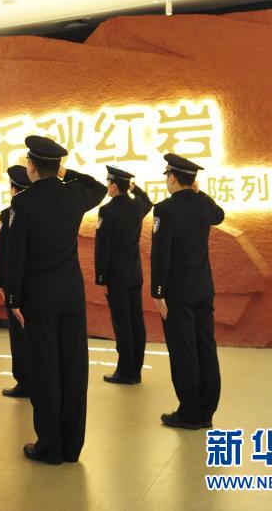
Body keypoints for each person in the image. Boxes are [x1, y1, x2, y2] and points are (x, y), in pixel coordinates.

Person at [5, 135, 106, 465]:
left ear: (31, 166)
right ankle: (72, 444)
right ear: (57, 167)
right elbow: (97, 187)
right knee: (74, 366)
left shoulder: (23, 204)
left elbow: (16, 257)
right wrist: (65, 174)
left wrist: (13, 298)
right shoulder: (73, 195)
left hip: (39, 296)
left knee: (45, 368)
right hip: (71, 293)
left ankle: (49, 445)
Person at [151, 153, 225, 430]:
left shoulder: (165, 209)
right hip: (203, 288)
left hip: (177, 292)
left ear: (172, 178)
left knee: (183, 351)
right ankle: (206, 411)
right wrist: (200, 192)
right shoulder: (204, 206)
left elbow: (161, 254)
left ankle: (189, 413)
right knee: (205, 347)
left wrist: (157, 291)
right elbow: (219, 215)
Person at [94, 165, 153, 385]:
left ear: (114, 185)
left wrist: (101, 277)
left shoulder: (107, 211)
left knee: (122, 324)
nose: (107, 187)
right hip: (134, 274)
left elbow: (103, 248)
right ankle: (136, 369)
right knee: (136, 321)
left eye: (109, 183)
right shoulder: (136, 206)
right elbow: (148, 202)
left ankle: (125, 372)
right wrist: (135, 189)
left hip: (116, 277)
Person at [0, 165, 32, 398]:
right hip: (39, 284)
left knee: (19, 335)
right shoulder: (42, 211)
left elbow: (1, 250)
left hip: (15, 285)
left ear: (14, 189)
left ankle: (24, 382)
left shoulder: (9, 214)